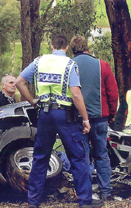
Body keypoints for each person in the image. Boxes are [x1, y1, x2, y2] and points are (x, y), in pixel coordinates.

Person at [16, 35, 103, 208]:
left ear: (51, 46)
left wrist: (33, 101)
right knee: (77, 157)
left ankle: (33, 201)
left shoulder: (38, 62)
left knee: (40, 157)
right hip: (66, 115)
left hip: (45, 114)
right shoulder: (70, 65)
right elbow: (76, 94)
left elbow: (19, 82)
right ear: (67, 48)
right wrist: (85, 118)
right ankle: (85, 200)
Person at [70, 35, 118, 201]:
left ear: (72, 49)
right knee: (101, 154)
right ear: (87, 48)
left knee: (82, 156)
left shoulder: (69, 65)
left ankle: (85, 193)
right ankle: (106, 192)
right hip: (100, 117)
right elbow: (113, 93)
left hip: (77, 119)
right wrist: (111, 114)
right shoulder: (102, 65)